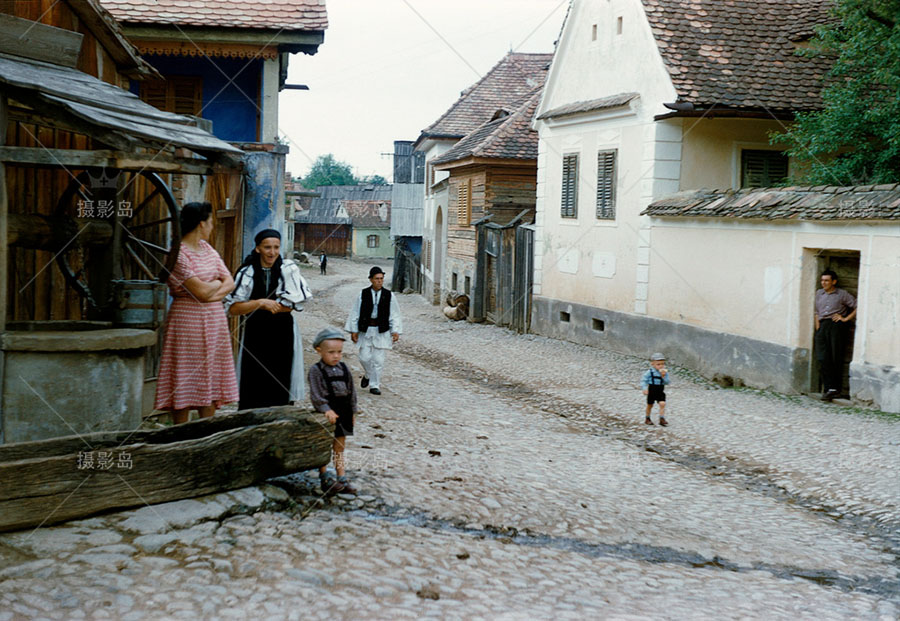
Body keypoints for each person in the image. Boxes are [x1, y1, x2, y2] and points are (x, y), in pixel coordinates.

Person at [155, 202, 238, 424]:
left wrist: (209, 288)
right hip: (187, 321)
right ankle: (181, 433)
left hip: (214, 321)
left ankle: (205, 430)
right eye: (210, 222)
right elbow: (200, 292)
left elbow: (230, 281)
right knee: (185, 373)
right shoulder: (178, 254)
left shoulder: (208, 249)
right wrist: (212, 286)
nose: (212, 227)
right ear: (202, 224)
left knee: (210, 373)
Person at [225, 229, 312, 410]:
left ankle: (279, 419)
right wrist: (260, 303)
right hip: (255, 330)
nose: (272, 252)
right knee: (253, 376)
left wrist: (264, 305)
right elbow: (233, 308)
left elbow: (293, 305)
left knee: (280, 376)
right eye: (267, 247)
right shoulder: (247, 272)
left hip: (282, 330)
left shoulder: (288, 269)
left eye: (276, 247)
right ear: (258, 249)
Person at [309, 327, 359, 495]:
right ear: (319, 350)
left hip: (343, 410)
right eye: (331, 352)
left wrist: (352, 411)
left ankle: (342, 477)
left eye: (339, 352)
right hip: (327, 413)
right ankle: (324, 475)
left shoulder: (344, 368)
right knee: (324, 444)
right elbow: (316, 395)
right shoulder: (316, 370)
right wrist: (325, 410)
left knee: (339, 446)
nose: (336, 356)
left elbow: (352, 391)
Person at [345, 266, 402, 395]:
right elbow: (355, 312)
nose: (379, 281)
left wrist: (395, 330)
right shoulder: (363, 294)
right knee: (364, 357)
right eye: (377, 279)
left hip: (381, 330)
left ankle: (374, 385)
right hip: (366, 329)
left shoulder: (389, 295)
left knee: (379, 360)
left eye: (381, 279)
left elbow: (394, 314)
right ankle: (368, 374)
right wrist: (354, 330)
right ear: (371, 279)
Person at [814, 269, 857, 401]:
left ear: (834, 281)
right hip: (822, 326)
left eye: (827, 280)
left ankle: (835, 389)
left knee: (835, 356)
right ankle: (828, 387)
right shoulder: (819, 293)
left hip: (836, 326)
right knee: (822, 357)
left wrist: (845, 318)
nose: (824, 283)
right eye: (822, 280)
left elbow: (858, 305)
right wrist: (818, 328)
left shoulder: (842, 294)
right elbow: (816, 312)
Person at [641, 353, 670, 426]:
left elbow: (667, 382)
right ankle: (647, 418)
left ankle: (662, 418)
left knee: (662, 403)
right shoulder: (650, 372)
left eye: (662, 364)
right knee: (650, 405)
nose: (661, 366)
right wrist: (644, 388)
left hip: (660, 390)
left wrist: (663, 376)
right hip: (652, 390)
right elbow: (644, 380)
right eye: (658, 364)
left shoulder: (664, 373)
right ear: (653, 364)